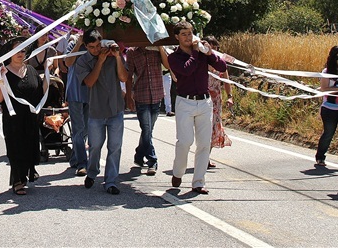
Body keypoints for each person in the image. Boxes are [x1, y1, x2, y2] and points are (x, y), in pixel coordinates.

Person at [165, 21, 227, 195]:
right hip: (185, 102)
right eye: (183, 34)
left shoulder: (201, 52)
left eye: (190, 33)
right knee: (184, 142)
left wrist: (210, 53)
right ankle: (178, 172)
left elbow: (222, 67)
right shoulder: (174, 56)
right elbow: (186, 70)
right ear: (177, 37)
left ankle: (198, 181)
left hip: (204, 102)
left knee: (204, 143)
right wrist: (196, 53)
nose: (188, 37)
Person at [76, 30, 128, 194]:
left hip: (115, 108)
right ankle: (92, 172)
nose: (96, 49)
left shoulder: (112, 56)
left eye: (98, 45)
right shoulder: (82, 61)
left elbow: (124, 78)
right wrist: (100, 61)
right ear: (86, 46)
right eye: (92, 47)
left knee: (115, 147)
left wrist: (118, 56)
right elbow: (90, 82)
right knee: (95, 146)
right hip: (96, 111)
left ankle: (111, 181)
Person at [0, 38, 45, 195]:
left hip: (30, 117)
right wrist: (0, 81)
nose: (20, 54)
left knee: (30, 145)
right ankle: (17, 180)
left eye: (23, 50)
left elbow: (40, 92)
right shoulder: (4, 72)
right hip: (13, 118)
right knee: (16, 148)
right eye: (16, 50)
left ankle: (28, 173)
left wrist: (48, 75)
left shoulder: (31, 70)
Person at [126, 46, 165, 176]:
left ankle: (139, 154)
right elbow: (129, 75)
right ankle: (152, 160)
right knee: (147, 129)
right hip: (141, 95)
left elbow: (167, 66)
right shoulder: (132, 52)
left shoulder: (157, 50)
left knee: (148, 130)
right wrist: (128, 96)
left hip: (157, 94)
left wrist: (160, 47)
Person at [203, 36, 233, 168]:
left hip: (216, 100)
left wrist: (230, 96)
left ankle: (206, 157)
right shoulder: (201, 60)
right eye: (211, 47)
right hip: (203, 97)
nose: (214, 50)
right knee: (204, 128)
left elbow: (226, 80)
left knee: (214, 127)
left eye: (215, 47)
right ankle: (202, 156)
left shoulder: (220, 61)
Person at [65, 34, 89, 177]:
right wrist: (78, 43)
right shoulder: (73, 44)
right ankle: (81, 163)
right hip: (75, 91)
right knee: (78, 128)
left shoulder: (95, 44)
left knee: (85, 128)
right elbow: (68, 62)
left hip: (91, 91)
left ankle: (75, 156)